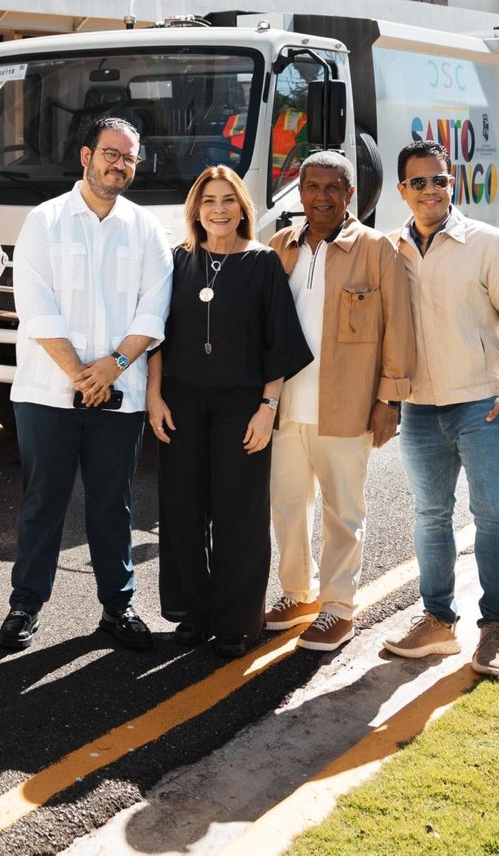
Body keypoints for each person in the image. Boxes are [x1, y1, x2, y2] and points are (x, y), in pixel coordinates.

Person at [0, 117, 174, 653]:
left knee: (111, 504)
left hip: (119, 391)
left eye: (129, 158)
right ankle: (25, 606)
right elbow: (34, 306)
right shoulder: (45, 222)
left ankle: (118, 607)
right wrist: (82, 374)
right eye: (110, 153)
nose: (119, 164)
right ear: (86, 156)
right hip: (47, 393)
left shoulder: (145, 229)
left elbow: (156, 305)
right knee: (42, 503)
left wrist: (113, 367)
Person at [383, 141, 499, 678]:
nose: (431, 190)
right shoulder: (390, 249)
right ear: (401, 190)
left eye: (439, 180)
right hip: (419, 409)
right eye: (418, 182)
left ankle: (495, 630)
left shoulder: (489, 244)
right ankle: (437, 623)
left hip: (481, 405)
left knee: (492, 514)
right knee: (430, 516)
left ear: (454, 184)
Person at [145, 167, 312, 658]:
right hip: (180, 402)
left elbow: (277, 343)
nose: (218, 209)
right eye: (208, 200)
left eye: (227, 200)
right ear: (195, 209)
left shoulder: (261, 263)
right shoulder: (176, 261)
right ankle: (191, 614)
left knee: (239, 512)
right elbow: (156, 335)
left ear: (243, 208)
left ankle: (236, 622)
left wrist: (267, 408)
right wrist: (154, 398)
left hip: (242, 404)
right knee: (182, 508)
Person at [264, 150, 417, 652]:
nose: (322, 197)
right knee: (287, 508)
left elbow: (400, 328)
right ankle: (296, 594)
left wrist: (389, 400)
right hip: (284, 409)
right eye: (313, 187)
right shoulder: (279, 247)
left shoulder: (378, 250)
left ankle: (337, 608)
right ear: (299, 191)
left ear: (350, 194)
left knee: (342, 514)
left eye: (334, 188)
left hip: (346, 409)